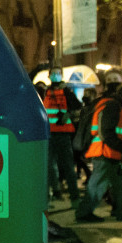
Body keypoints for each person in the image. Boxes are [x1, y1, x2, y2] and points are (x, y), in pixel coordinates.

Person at [74, 83, 122, 222]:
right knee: (98, 185)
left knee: (118, 184)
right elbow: (106, 133)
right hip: (104, 152)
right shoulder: (113, 106)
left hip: (108, 152)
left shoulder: (112, 105)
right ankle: (84, 213)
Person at [39, 64, 82, 203]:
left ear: (62, 76)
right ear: (49, 76)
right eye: (53, 73)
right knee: (50, 165)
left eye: (58, 73)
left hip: (63, 134)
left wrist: (67, 114)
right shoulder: (45, 92)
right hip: (49, 133)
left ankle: (74, 193)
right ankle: (56, 191)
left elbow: (77, 106)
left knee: (68, 165)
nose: (55, 76)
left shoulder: (67, 92)